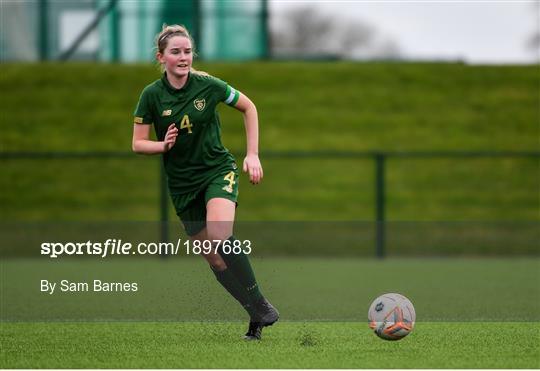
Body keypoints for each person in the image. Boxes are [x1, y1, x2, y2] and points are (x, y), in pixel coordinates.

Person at [132, 24, 278, 340]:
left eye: (187, 51)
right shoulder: (151, 96)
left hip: (217, 170)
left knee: (220, 236)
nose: (183, 57)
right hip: (183, 185)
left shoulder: (208, 85)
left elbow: (248, 107)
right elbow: (138, 143)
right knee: (213, 256)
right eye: (176, 52)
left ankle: (262, 304)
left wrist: (252, 154)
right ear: (162, 57)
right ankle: (255, 313)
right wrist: (163, 146)